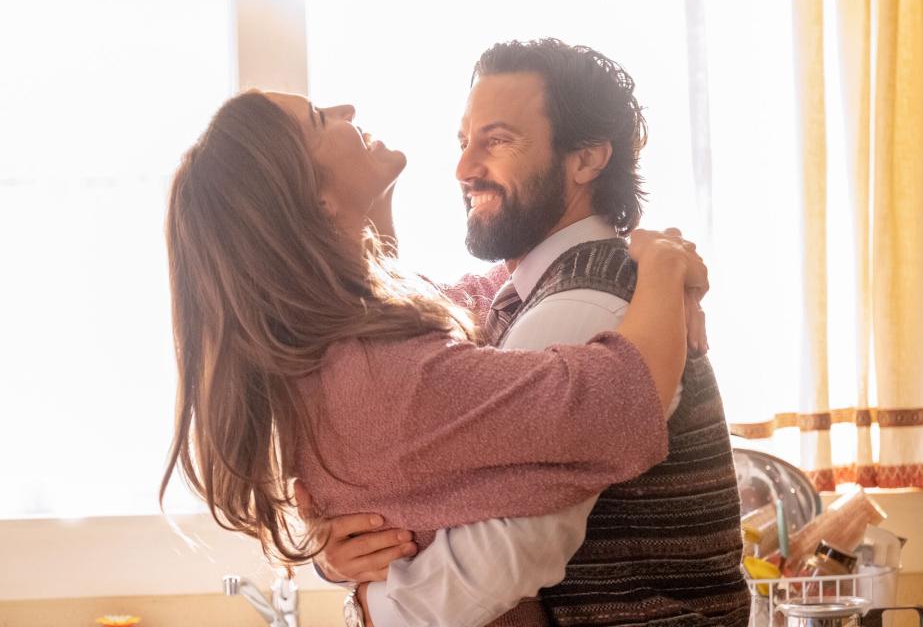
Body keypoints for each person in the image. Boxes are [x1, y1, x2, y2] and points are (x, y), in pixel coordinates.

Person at [159, 88, 708, 626]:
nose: (347, 107)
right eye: (320, 119)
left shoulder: (340, 349)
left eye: (493, 140)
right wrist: (660, 264)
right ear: (315, 201)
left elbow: (491, 294)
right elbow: (616, 403)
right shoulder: (381, 377)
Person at [307, 39, 751, 627]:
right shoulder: (516, 293)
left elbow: (503, 554)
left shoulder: (587, 299)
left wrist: (367, 603)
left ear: (587, 159)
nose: (465, 169)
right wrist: (337, 552)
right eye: (464, 142)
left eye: (496, 141)